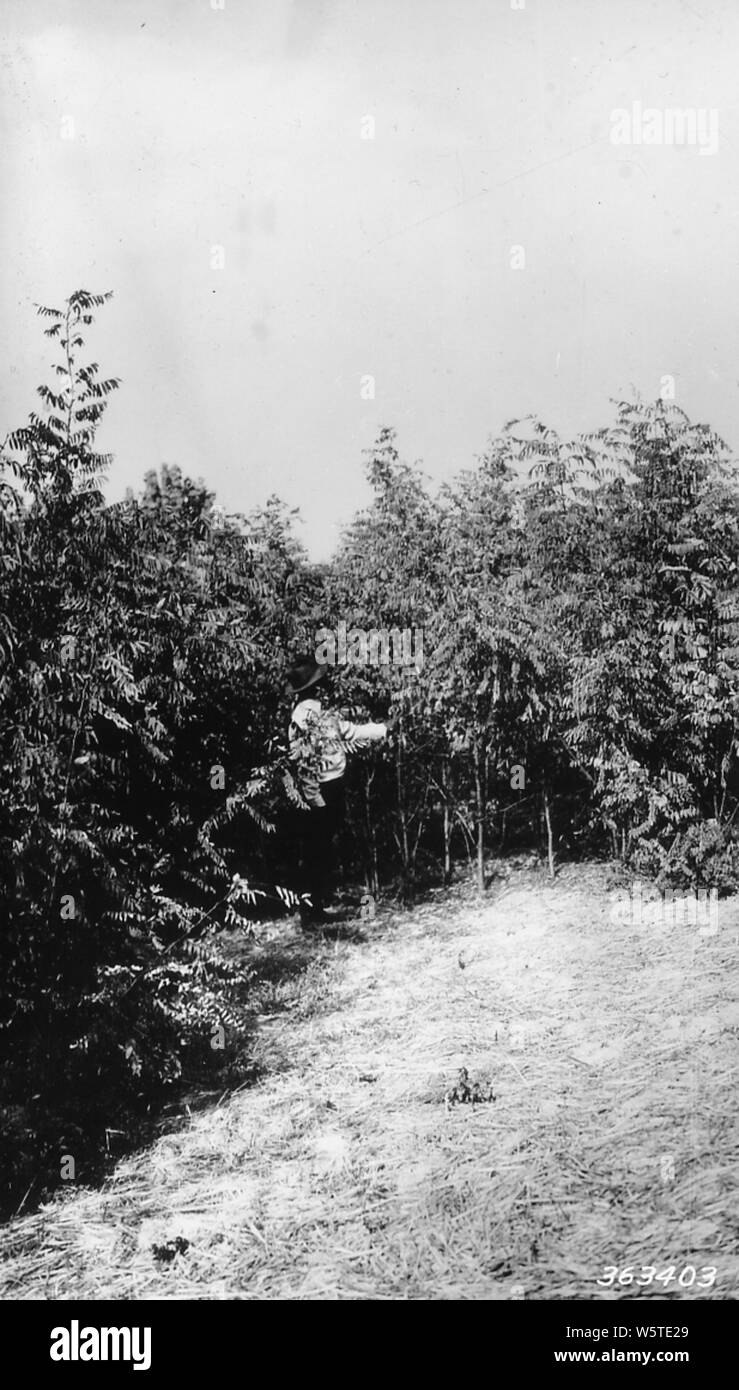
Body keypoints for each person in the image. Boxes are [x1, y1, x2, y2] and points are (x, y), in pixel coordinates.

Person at [286, 655, 394, 927]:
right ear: (312, 688)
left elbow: (350, 732)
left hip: (331, 787)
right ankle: (310, 912)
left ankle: (316, 908)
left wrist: (382, 729)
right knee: (315, 850)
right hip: (320, 791)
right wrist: (314, 798)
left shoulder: (322, 714)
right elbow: (303, 762)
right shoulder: (303, 718)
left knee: (322, 850)